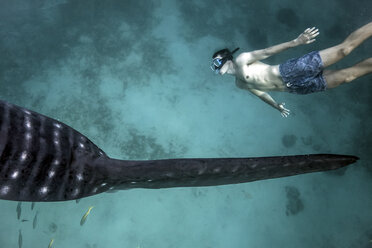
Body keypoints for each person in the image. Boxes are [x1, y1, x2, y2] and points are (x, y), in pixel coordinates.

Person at [211, 22, 372, 117]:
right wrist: (276, 106)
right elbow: (261, 93)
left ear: (226, 57)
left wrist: (296, 41)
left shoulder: (241, 60)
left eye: (216, 62)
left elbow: (267, 51)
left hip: (290, 71)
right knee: (347, 77)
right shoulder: (239, 84)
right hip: (296, 88)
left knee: (343, 50)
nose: (215, 67)